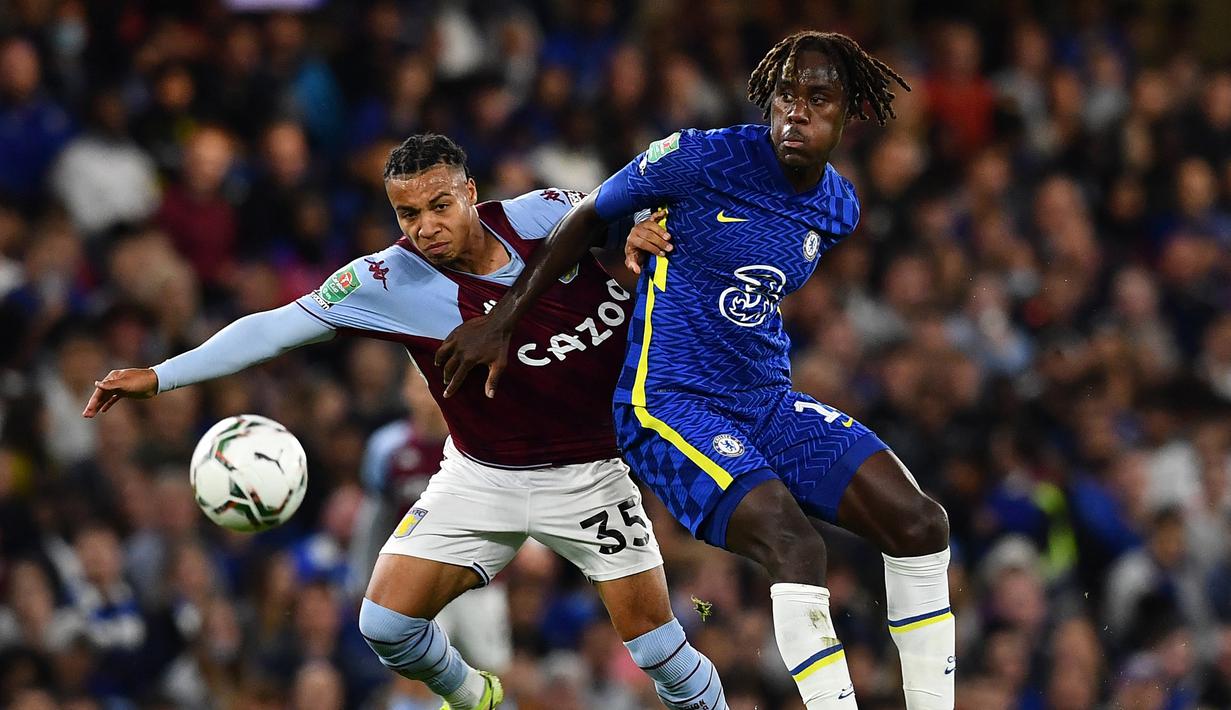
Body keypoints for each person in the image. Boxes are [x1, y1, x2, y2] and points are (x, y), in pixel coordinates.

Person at [82, 134, 729, 710]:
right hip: (482, 476)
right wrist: (161, 376)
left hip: (589, 473)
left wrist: (647, 224)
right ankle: (474, 695)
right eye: (407, 213)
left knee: (657, 653)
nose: (425, 228)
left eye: (439, 206)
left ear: (470, 194)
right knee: (385, 627)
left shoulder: (546, 212)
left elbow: (644, 196)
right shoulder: (384, 281)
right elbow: (275, 328)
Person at [436, 31, 954, 710]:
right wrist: (505, 320)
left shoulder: (837, 208)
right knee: (795, 546)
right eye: (784, 96)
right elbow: (590, 214)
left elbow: (739, 279)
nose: (795, 112)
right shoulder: (700, 157)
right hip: (668, 403)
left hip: (764, 401)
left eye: (817, 99)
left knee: (920, 524)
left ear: (848, 112)